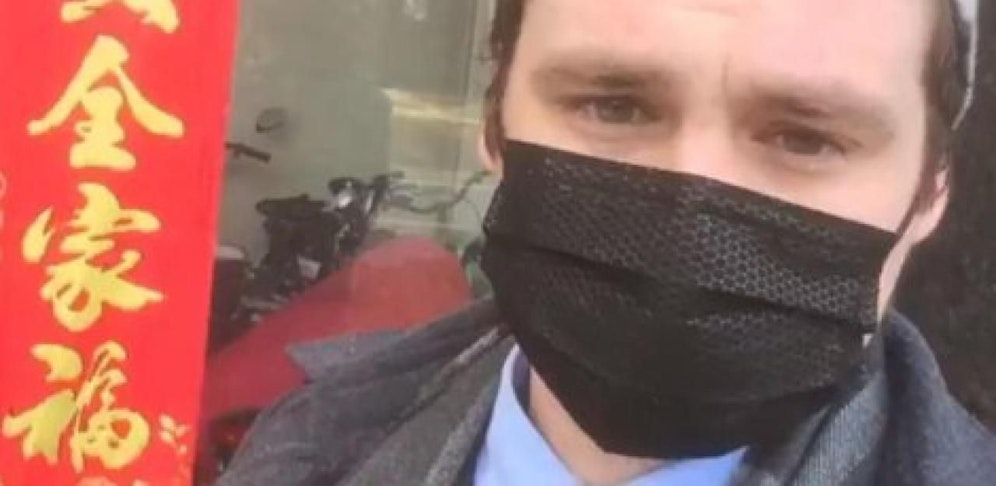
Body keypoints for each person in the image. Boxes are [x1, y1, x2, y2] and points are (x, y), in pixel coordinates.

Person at [219, 0, 996, 484]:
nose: (692, 206)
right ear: (494, 125)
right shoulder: (306, 441)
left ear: (932, 189)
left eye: (806, 138)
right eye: (613, 107)